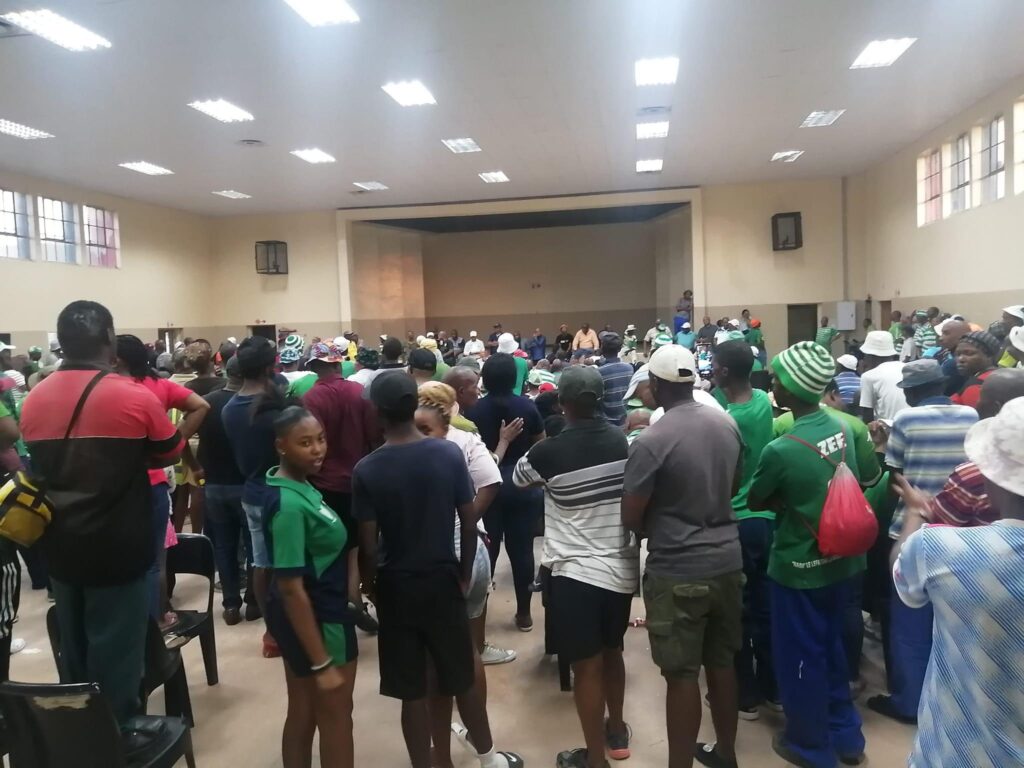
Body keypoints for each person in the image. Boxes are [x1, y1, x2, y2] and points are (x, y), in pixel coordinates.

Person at [21, 301, 185, 746]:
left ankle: (81, 732)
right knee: (117, 648)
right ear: (109, 338)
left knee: (74, 645)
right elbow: (170, 451)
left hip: (59, 545)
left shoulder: (34, 399)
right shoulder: (132, 395)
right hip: (117, 545)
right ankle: (117, 734)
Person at [354, 373, 523, 768]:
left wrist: (370, 585)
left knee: (412, 690)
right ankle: (489, 758)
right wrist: (463, 574)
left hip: (397, 585)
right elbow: (468, 521)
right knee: (460, 674)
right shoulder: (447, 454)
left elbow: (368, 542)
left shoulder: (367, 469)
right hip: (443, 579)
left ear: (377, 412)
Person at [621, 344, 743, 768]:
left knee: (682, 675)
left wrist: (663, 524)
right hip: (728, 562)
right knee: (722, 664)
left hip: (678, 568)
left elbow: (632, 515)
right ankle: (726, 753)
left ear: (655, 385)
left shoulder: (652, 440)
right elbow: (733, 485)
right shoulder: (726, 424)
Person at [747, 341, 867, 768]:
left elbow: (757, 497)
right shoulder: (843, 428)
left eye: (777, 379)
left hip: (800, 567)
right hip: (844, 560)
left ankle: (810, 745)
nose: (773, 385)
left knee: (801, 657)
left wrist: (786, 498)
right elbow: (857, 478)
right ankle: (847, 736)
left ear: (793, 387)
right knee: (832, 648)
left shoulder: (782, 448)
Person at [890, 397, 1024, 767]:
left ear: (991, 479)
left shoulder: (941, 550)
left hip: (951, 754)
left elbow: (901, 570)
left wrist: (917, 512)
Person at [514, 365, 635, 768]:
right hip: (620, 570)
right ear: (601, 399)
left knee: (586, 668)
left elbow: (520, 479)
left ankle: (595, 759)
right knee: (613, 651)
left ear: (562, 403)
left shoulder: (548, 452)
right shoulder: (622, 441)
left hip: (574, 573)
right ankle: (617, 731)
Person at [866, 359, 978, 725]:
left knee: (909, 620)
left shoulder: (906, 420)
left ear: (912, 393)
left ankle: (908, 702)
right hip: (961, 529)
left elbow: (895, 478)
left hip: (913, 530)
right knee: (949, 619)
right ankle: (943, 692)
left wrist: (882, 446)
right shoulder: (971, 415)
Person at [413, 383, 518, 765]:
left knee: (436, 662)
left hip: (445, 558)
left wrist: (461, 523)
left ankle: (443, 753)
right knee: (467, 650)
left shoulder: (415, 450)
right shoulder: (465, 441)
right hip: (472, 554)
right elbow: (491, 480)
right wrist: (469, 519)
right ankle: (482, 744)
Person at [260, 406, 359, 768]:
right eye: (305, 443)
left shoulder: (297, 484)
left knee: (304, 709)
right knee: (336, 715)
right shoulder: (289, 506)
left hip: (314, 610)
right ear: (281, 446)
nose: (317, 449)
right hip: (319, 617)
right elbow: (290, 587)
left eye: (320, 439)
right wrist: (321, 661)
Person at [114, 334, 210, 623]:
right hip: (154, 479)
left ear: (117, 360)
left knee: (124, 558)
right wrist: (175, 441)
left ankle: (136, 620)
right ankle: (158, 618)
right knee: (155, 560)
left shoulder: (111, 388)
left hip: (117, 485)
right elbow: (201, 406)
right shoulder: (158, 385)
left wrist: (175, 443)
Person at [711, 341, 778, 720]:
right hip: (765, 517)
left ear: (723, 371)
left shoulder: (724, 417)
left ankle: (745, 694)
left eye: (714, 366)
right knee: (765, 607)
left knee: (735, 612)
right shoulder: (764, 402)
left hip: (735, 517)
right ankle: (773, 688)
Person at [301, 340, 378, 633]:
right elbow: (373, 436)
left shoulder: (311, 398)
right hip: (359, 481)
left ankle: (339, 607)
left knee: (331, 549)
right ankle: (357, 597)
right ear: (338, 363)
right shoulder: (360, 392)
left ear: (314, 366)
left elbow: (311, 443)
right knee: (356, 547)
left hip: (325, 484)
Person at [466, 354, 545, 632]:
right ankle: (524, 614)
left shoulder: (474, 410)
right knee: (522, 550)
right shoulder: (527, 406)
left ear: (485, 379)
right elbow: (540, 445)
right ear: (514, 378)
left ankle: (481, 614)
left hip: (486, 485)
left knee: (488, 549)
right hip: (522, 484)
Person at [222, 335, 289, 657]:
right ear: (268, 367)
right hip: (284, 491)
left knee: (261, 563)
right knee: (291, 563)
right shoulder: (276, 409)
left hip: (251, 491)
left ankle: (271, 630)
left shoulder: (229, 409)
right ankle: (294, 624)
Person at [925, 369, 1024, 528]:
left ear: (997, 408)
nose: (977, 402)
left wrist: (918, 511)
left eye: (981, 397)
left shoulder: (972, 475)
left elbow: (939, 526)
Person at [858, 330, 909, 424]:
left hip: (890, 429)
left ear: (869, 356)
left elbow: (867, 415)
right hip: (915, 424)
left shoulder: (868, 376)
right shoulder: (907, 368)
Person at [950, 330, 1001, 410]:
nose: (960, 359)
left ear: (989, 355)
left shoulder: (978, 387)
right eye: (957, 354)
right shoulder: (999, 375)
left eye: (969, 353)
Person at [597, 334, 632, 427]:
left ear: (602, 348)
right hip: (625, 419)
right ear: (619, 349)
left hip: (607, 422)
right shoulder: (629, 368)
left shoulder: (599, 372)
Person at [935, 319, 970, 395]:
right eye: (942, 333)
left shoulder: (955, 363)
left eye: (946, 333)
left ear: (962, 337)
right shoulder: (940, 354)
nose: (940, 338)